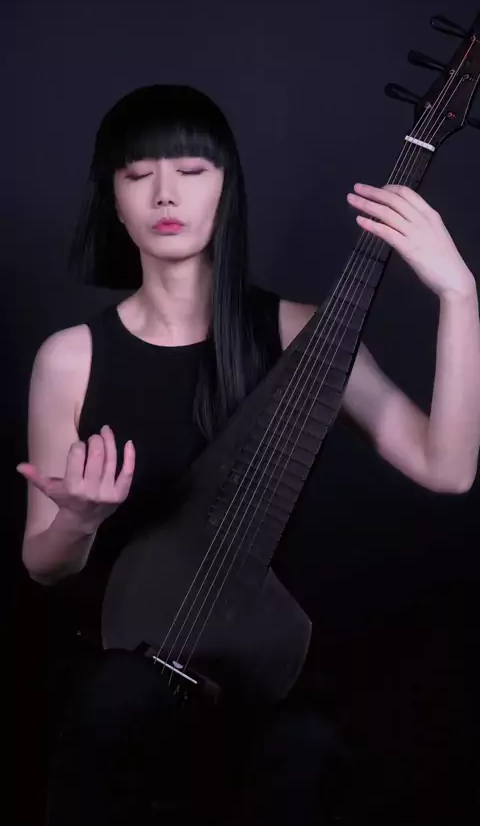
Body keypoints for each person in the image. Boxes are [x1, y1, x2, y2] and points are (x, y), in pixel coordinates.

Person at [18, 84, 479, 825]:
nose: (165, 193)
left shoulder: (302, 333)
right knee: (115, 703)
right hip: (117, 657)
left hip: (258, 673)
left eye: (191, 171)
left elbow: (447, 468)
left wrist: (459, 296)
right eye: (138, 174)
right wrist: (76, 520)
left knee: (307, 753)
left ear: (227, 187)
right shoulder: (70, 357)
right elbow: (44, 565)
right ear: (113, 199)